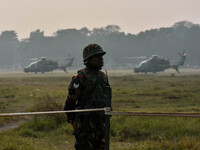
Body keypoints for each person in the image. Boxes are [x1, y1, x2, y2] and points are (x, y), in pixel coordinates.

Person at [64, 43, 112, 150]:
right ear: (88, 59)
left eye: (101, 56)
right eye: (97, 56)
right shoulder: (81, 79)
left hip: (100, 126)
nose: (101, 59)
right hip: (85, 126)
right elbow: (69, 106)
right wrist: (76, 124)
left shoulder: (103, 77)